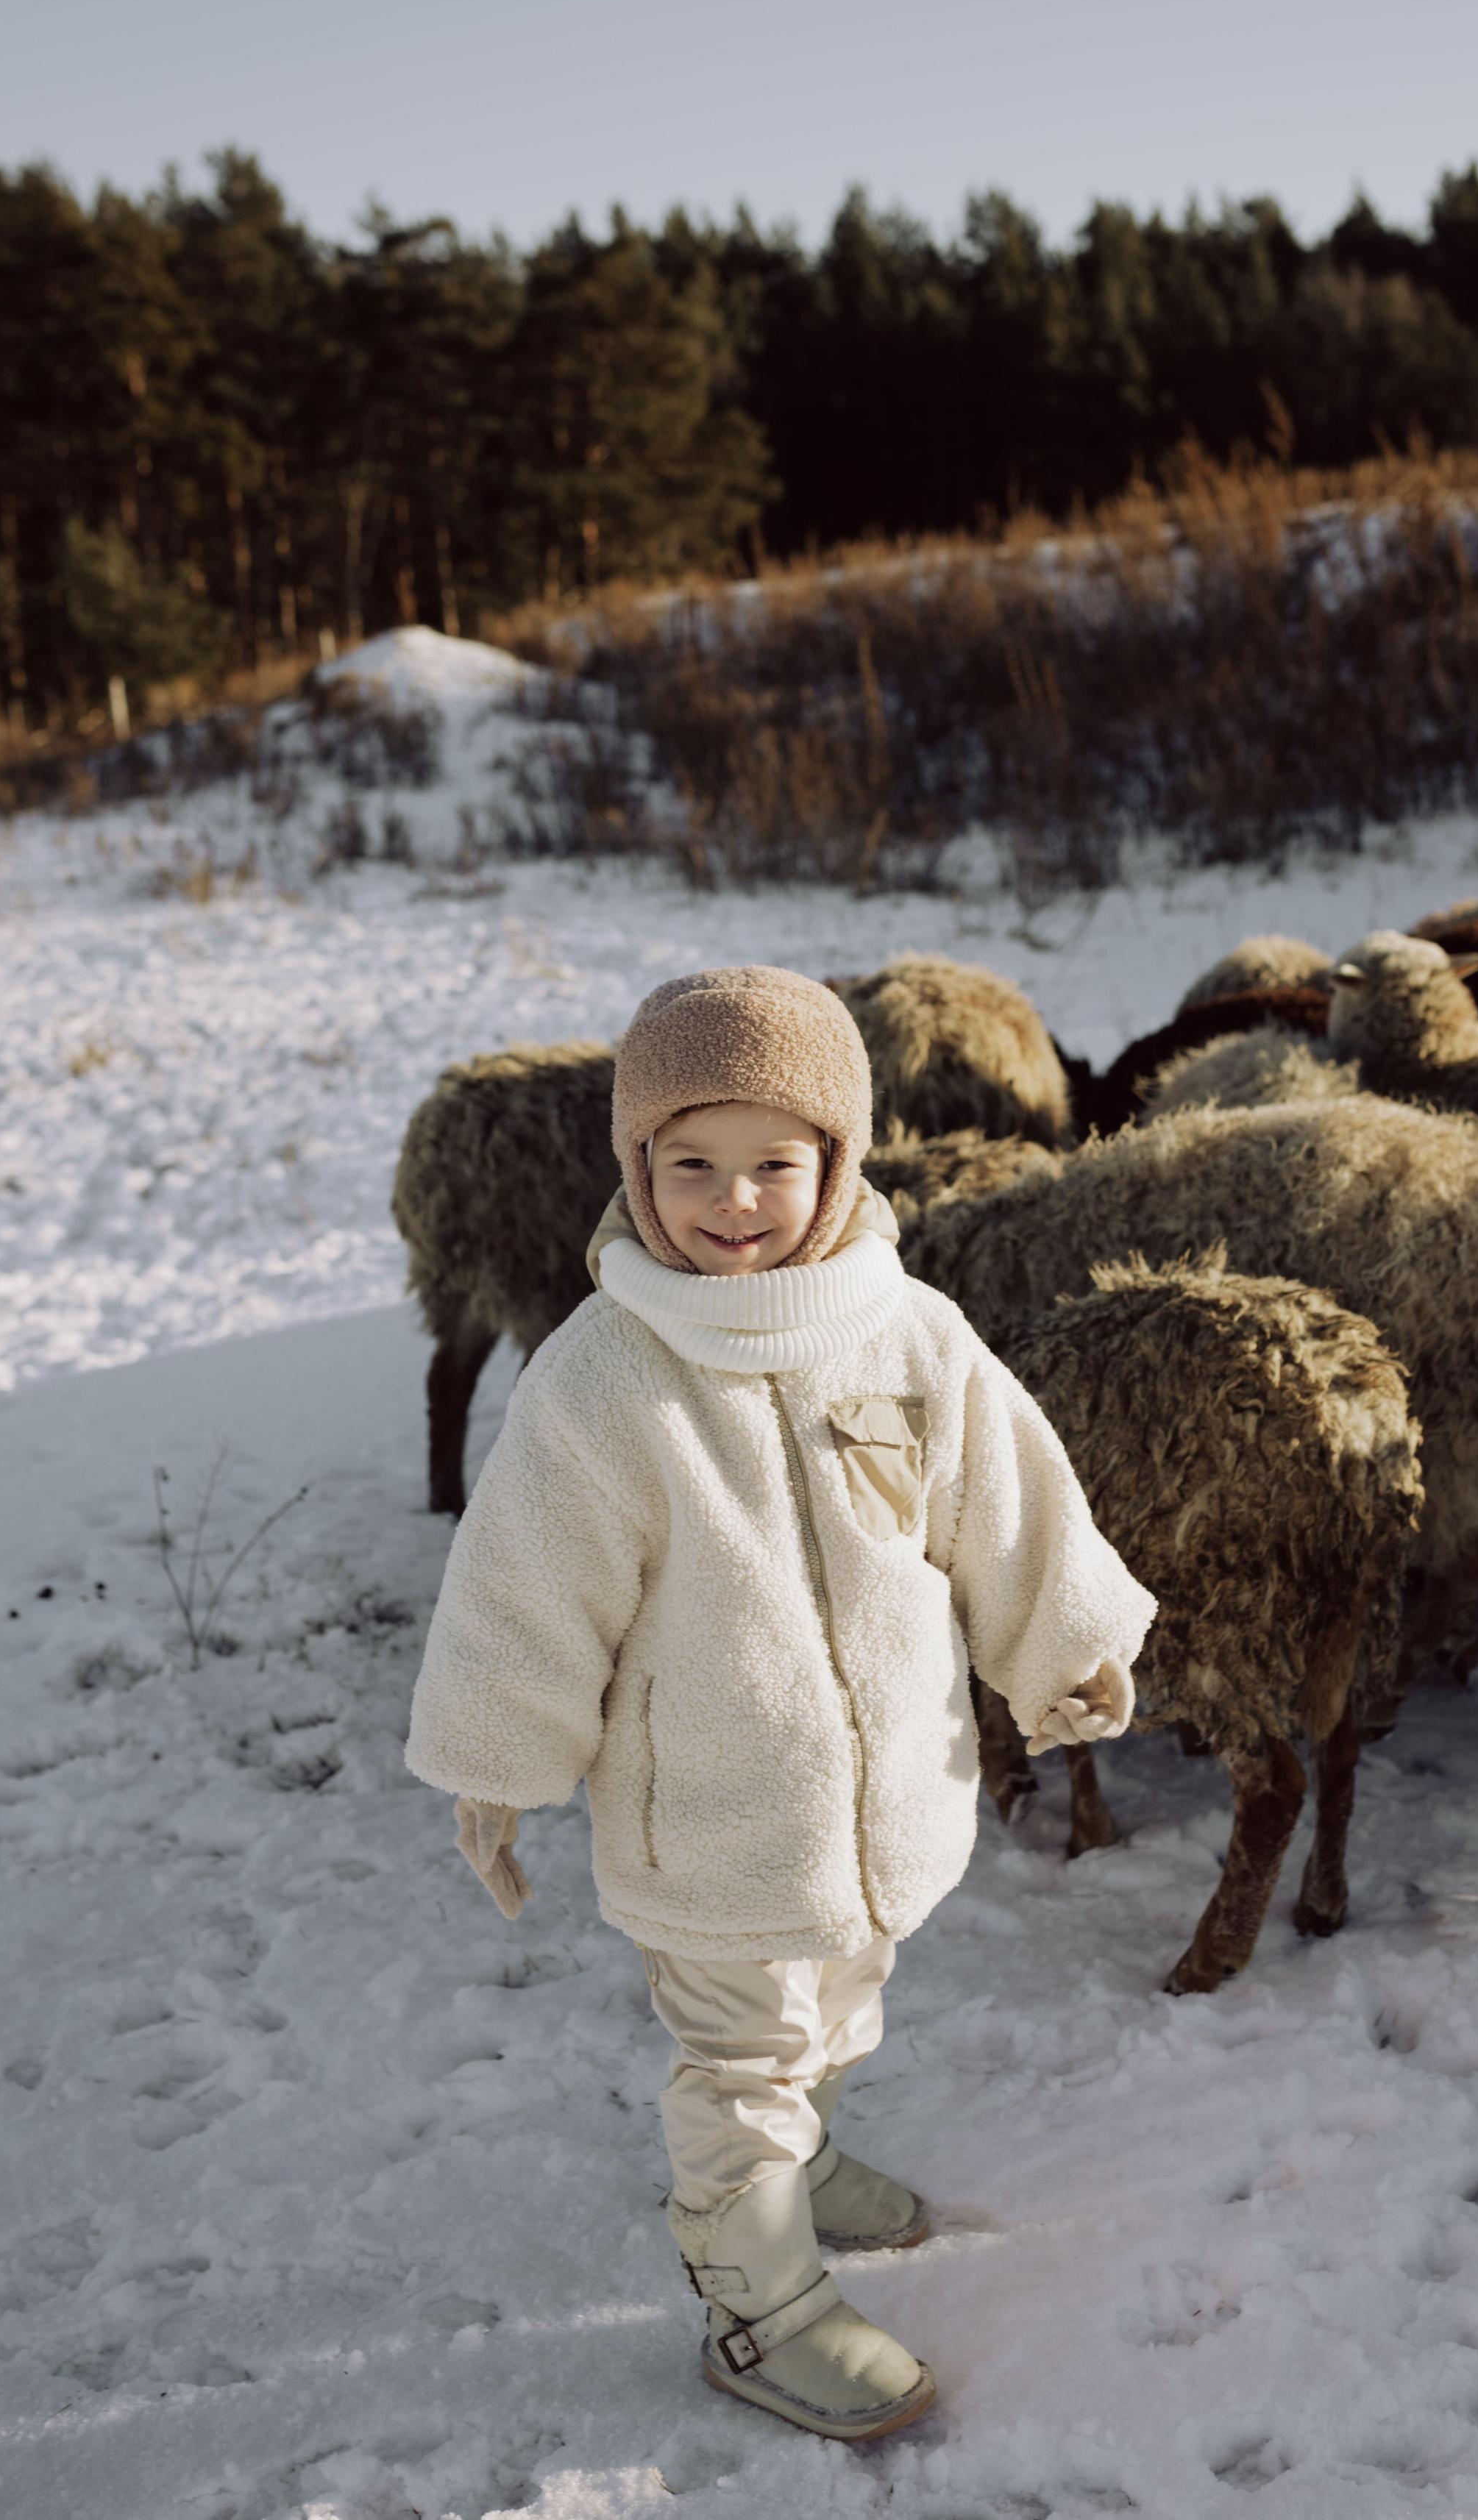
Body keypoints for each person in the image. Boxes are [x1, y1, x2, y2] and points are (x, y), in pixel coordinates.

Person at [405, 965, 1153, 2441]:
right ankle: (759, 2306)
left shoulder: (905, 1330)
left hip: (886, 1802)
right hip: (711, 1821)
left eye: (771, 1163)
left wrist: (1063, 1640)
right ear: (637, 1167)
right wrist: (498, 1759)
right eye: (689, 1164)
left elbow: (1003, 1502)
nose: (732, 1201)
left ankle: (800, 2159)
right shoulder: (605, 1375)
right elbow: (526, 1580)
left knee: (841, 2006)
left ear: (837, 1159)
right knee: (742, 2063)